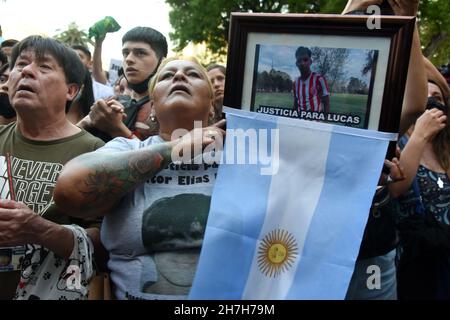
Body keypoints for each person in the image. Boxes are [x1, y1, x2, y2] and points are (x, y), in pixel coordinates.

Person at [54, 57, 225, 300]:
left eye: (193, 74)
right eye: (167, 76)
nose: (179, 77)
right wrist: (176, 148)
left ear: (211, 105)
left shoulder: (240, 155)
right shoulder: (126, 148)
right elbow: (69, 190)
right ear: (153, 106)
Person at [0, 36, 105, 300]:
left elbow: (105, 243)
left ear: (71, 91)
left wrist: (39, 229)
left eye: (44, 67)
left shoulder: (95, 152)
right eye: (20, 64)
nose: (26, 71)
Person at [343, 0, 428, 300]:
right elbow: (325, 41)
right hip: (310, 248)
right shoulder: (316, 111)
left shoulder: (381, 117)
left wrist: (409, 20)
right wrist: (355, 5)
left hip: (371, 252)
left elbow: (416, 103)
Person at [390, 69, 450, 299]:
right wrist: (420, 135)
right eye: (427, 96)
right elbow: (396, 188)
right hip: (416, 261)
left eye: (440, 97)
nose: (434, 102)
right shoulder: (402, 141)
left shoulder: (445, 147)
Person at [79, 26, 168, 142]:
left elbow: (170, 158)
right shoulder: (112, 102)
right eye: (125, 53)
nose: (128, 59)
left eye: (140, 53)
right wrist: (87, 121)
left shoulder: (169, 107)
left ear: (162, 61)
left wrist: (116, 128)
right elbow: (70, 140)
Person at [293, 46, 330, 114]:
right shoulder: (296, 82)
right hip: (300, 121)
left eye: (305, 60)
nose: (302, 63)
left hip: (315, 121)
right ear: (296, 64)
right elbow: (295, 102)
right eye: (299, 60)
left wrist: (325, 119)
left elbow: (326, 102)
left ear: (310, 61)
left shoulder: (319, 79)